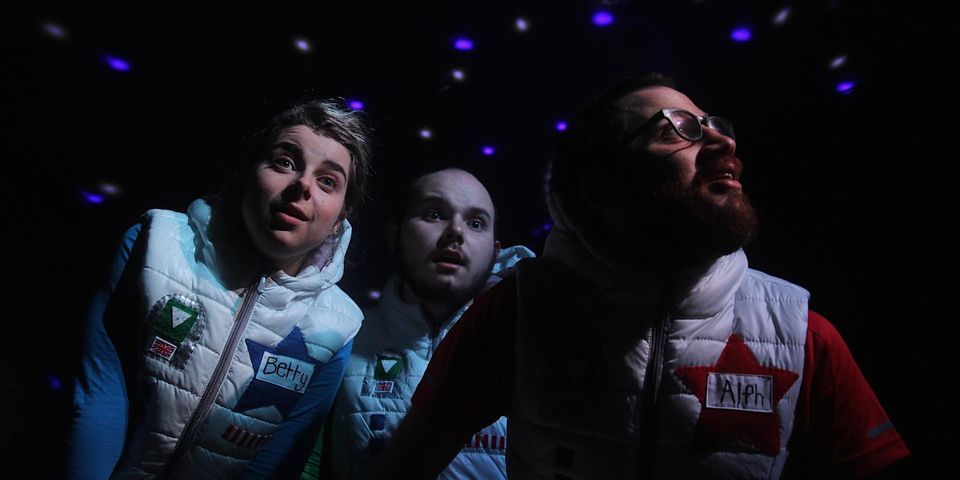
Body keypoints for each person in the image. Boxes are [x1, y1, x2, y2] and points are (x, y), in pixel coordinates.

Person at [380, 74, 911, 479]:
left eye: (716, 127)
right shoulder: (517, 312)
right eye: (680, 128)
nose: (724, 145)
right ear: (601, 187)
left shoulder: (802, 335)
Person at [66, 99, 373, 479]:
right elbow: (99, 397)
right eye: (284, 162)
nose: (303, 185)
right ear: (247, 173)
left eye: (328, 181)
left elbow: (278, 462)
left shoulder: (338, 327)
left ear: (341, 216)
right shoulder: (153, 243)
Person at [306, 168, 533, 479]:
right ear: (394, 235)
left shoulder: (529, 345)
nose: (456, 232)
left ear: (495, 252)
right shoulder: (343, 335)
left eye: (476, 223)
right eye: (434, 214)